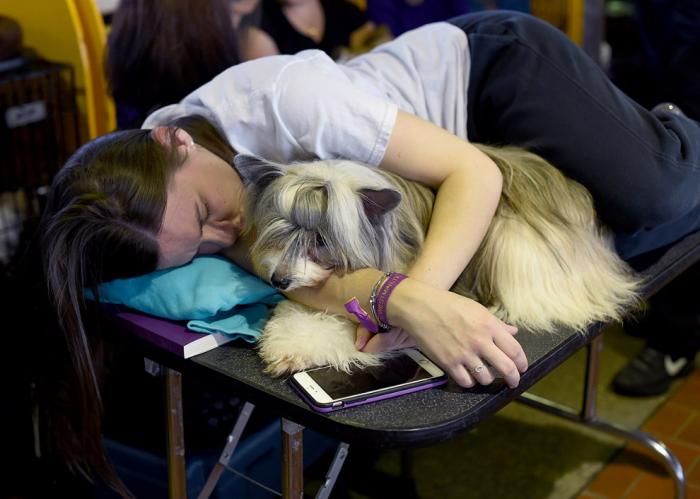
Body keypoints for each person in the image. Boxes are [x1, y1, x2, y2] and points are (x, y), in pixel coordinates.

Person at [40, 11, 700, 495]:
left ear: (169, 141)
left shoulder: (283, 101)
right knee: (598, 242)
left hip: (489, 83)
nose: (226, 235)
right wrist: (385, 294)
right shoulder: (177, 199)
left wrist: (415, 299)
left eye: (210, 216)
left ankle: (662, 127)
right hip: (458, 165)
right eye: (197, 248)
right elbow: (292, 274)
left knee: (657, 201)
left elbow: (474, 175)